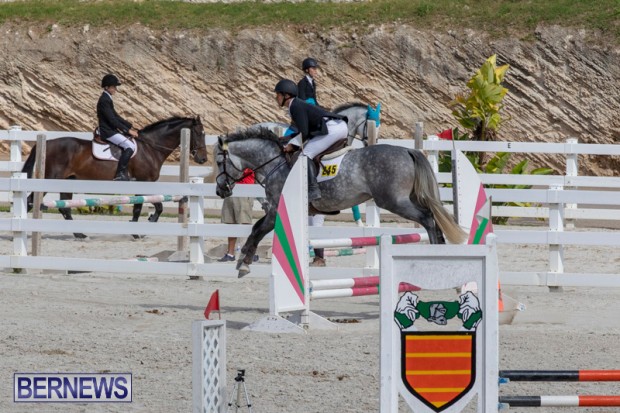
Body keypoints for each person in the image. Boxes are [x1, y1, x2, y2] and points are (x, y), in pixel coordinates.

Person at [273, 78, 348, 202]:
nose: (276, 97)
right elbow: (303, 131)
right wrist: (285, 139)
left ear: (286, 95)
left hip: (332, 129)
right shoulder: (296, 104)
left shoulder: (295, 106)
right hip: (339, 126)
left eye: (278, 94)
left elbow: (304, 133)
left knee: (305, 154)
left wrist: (292, 146)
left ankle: (313, 189)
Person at [298, 59, 325, 266]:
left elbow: (314, 100)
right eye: (314, 68)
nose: (316, 71)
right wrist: (314, 107)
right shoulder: (302, 83)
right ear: (308, 69)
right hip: (304, 115)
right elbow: (304, 101)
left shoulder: (312, 82)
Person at [97, 74, 139, 181]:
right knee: (130, 146)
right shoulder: (104, 100)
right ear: (107, 87)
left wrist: (130, 126)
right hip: (108, 132)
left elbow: (116, 116)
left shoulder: (107, 98)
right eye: (113, 87)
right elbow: (112, 120)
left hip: (111, 130)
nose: (115, 89)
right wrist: (128, 130)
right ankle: (119, 174)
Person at [219, 168, 259, 263]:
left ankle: (249, 252)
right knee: (231, 223)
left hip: (244, 190)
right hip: (230, 190)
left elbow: (238, 172)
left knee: (245, 223)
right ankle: (230, 254)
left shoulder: (247, 160)